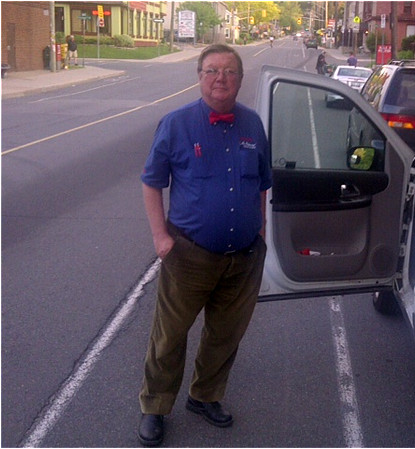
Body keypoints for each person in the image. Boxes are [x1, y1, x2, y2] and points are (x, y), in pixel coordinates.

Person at [137, 43, 271, 447]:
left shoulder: (253, 126)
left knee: (224, 335)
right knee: (170, 336)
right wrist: (161, 237)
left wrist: (260, 233)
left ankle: (205, 396)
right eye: (212, 70)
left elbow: (262, 184)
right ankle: (155, 406)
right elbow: (152, 182)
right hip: (189, 255)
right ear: (199, 76)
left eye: (229, 71)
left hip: (243, 258)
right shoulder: (176, 124)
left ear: (240, 79)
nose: (221, 79)